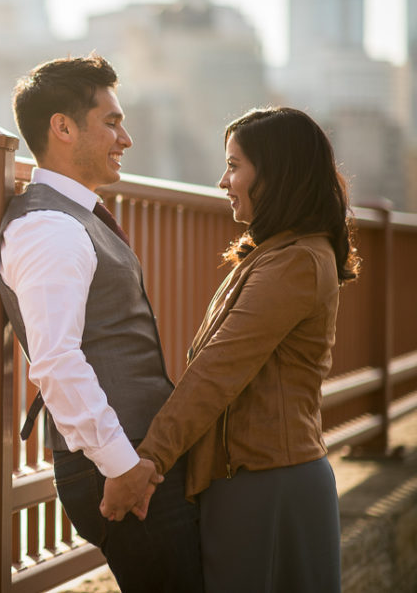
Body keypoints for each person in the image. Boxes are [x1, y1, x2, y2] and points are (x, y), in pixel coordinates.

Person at [101, 106, 359, 592]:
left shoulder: (297, 262)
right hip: (250, 480)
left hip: (268, 485)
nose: (223, 181)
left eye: (235, 165)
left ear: (277, 173)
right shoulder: (275, 254)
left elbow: (218, 369)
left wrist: (149, 460)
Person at [0, 55, 204, 592]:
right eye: (111, 122)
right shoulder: (49, 228)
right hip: (116, 464)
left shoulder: (74, 218)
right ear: (62, 128)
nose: (125, 138)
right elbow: (57, 360)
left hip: (133, 455)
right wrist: (121, 466)